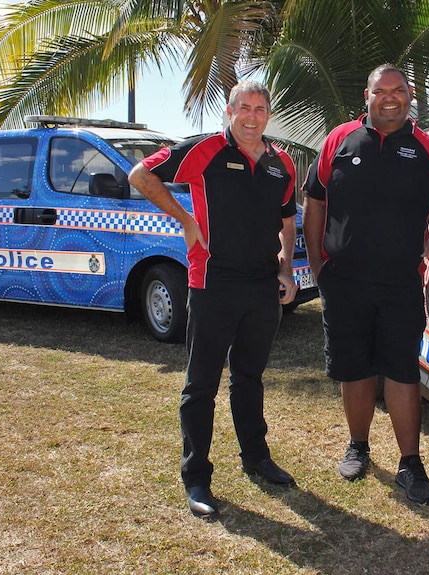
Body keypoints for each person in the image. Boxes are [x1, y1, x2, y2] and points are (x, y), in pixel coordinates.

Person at [129, 80, 298, 519]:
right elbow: (140, 174)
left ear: (268, 114)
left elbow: (287, 220)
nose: (252, 116)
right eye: (244, 107)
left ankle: (256, 459)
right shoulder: (204, 150)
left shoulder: (282, 164)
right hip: (212, 281)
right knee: (201, 384)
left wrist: (285, 269)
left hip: (262, 285)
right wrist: (185, 218)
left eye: (261, 108)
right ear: (230, 111)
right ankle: (197, 477)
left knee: (249, 377)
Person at [302, 64, 429, 505]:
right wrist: (317, 265)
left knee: (401, 371)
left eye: (398, 90)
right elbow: (314, 202)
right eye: (380, 91)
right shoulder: (339, 140)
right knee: (355, 369)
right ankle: (358, 447)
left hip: (399, 282)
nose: (390, 97)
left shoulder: (427, 148)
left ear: (409, 95)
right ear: (367, 96)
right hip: (344, 281)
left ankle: (411, 463)